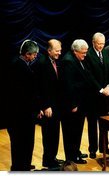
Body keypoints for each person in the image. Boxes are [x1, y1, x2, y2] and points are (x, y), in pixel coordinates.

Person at [61, 39, 109, 164]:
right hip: (74, 105)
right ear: (75, 51)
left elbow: (87, 75)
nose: (85, 55)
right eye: (83, 53)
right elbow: (68, 86)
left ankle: (76, 152)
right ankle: (72, 157)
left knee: (78, 130)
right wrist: (73, 104)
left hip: (81, 102)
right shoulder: (68, 61)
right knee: (72, 132)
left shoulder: (78, 59)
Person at [7, 39, 41, 171]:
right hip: (22, 115)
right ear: (27, 54)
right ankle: (20, 167)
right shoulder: (21, 68)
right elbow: (27, 94)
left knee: (21, 143)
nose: (35, 57)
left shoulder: (16, 63)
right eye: (33, 55)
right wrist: (36, 108)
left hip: (19, 114)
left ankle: (23, 164)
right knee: (22, 142)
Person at [32, 39, 64, 168]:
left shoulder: (54, 62)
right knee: (49, 135)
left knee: (55, 134)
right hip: (48, 107)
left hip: (56, 106)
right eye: (57, 51)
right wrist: (45, 106)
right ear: (49, 51)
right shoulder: (42, 63)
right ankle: (48, 161)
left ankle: (52, 158)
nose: (59, 53)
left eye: (60, 50)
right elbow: (39, 88)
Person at [84, 32, 109, 158]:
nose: (101, 46)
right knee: (92, 124)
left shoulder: (106, 52)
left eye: (103, 43)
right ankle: (93, 149)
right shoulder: (88, 55)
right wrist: (101, 89)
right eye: (98, 44)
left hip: (106, 97)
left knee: (104, 123)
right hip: (92, 97)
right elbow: (89, 76)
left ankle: (104, 146)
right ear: (93, 42)